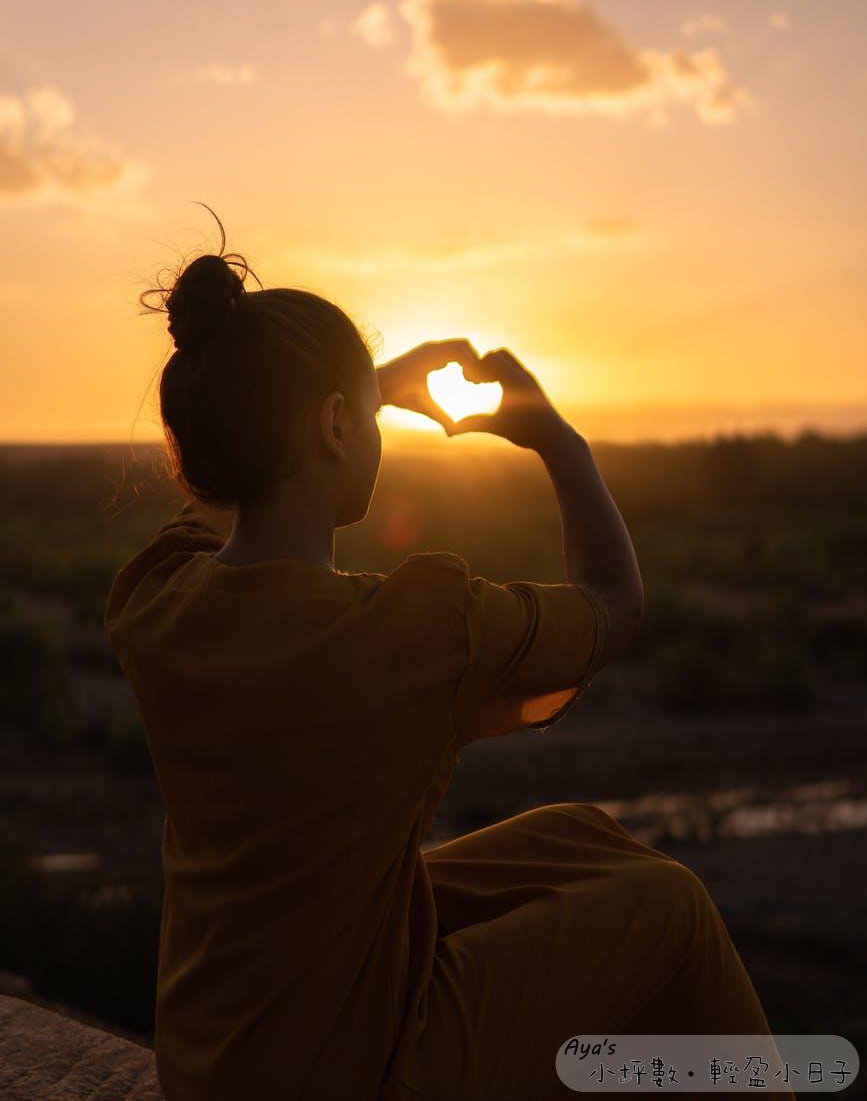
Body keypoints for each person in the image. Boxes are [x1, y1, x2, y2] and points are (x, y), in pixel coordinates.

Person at [105, 210, 790, 1101]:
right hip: (354, 1071)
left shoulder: (156, 601)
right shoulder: (411, 632)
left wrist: (355, 394)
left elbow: (228, 491)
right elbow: (616, 608)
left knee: (576, 838)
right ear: (340, 425)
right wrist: (558, 440)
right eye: (363, 414)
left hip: (213, 1059)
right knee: (668, 911)